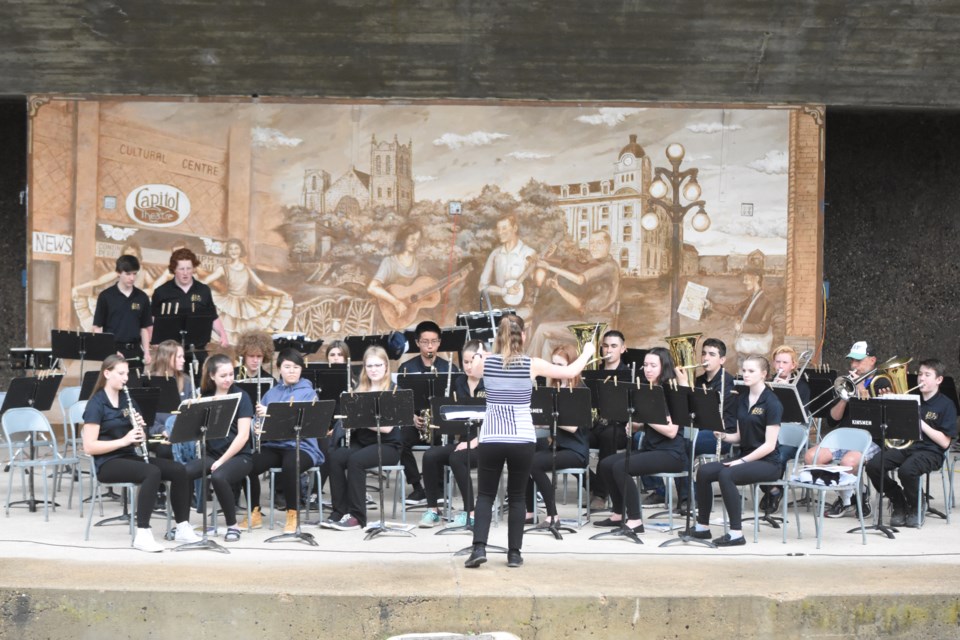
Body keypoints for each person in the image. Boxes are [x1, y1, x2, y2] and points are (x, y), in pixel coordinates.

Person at [464, 314, 594, 569]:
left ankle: (479, 548)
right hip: (522, 439)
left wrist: (483, 352)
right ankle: (514, 554)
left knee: (486, 495)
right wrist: (588, 350)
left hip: (491, 437)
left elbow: (473, 370)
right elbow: (569, 371)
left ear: (498, 337)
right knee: (517, 497)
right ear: (522, 336)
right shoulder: (531, 364)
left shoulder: (485, 363)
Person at [81, 355, 201, 552]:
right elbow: (89, 447)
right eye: (121, 373)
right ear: (107, 373)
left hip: (129, 456)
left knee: (178, 470)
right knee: (151, 472)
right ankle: (143, 533)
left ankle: (182, 526)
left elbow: (140, 439)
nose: (125, 378)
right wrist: (125, 440)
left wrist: (140, 430)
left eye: (127, 373)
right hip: (107, 463)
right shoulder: (96, 404)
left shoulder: (127, 400)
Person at [683, 354, 782, 547]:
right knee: (704, 471)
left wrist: (741, 461)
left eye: (751, 371)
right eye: (744, 370)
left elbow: (769, 445)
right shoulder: (742, 399)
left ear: (764, 374)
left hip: (769, 462)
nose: (745, 374)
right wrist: (723, 435)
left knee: (727, 475)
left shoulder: (772, 403)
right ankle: (703, 527)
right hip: (746, 457)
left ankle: (736, 533)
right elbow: (738, 436)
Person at [593, 347, 688, 534]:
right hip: (652, 449)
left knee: (621, 467)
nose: (648, 369)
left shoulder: (671, 392)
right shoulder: (647, 389)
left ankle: (635, 520)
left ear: (664, 367)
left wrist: (645, 417)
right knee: (605, 464)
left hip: (671, 454)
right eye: (645, 365)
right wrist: (636, 426)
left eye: (653, 365)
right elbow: (652, 424)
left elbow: (670, 431)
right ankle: (619, 513)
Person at [866, 358, 957, 527]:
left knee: (907, 470)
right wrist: (889, 404)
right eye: (920, 374)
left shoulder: (946, 405)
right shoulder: (909, 399)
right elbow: (892, 428)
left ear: (939, 380)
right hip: (907, 446)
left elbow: (944, 443)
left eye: (927, 375)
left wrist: (920, 422)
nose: (921, 378)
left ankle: (916, 505)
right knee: (873, 465)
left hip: (932, 451)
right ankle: (898, 501)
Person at [239, 349, 323, 533]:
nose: (292, 371)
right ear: (279, 369)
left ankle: (293, 515)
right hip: (275, 445)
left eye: (296, 367)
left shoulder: (309, 394)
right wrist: (257, 426)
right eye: (287, 367)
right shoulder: (271, 394)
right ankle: (254, 512)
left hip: (303, 446)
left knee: (291, 465)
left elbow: (309, 426)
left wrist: (272, 416)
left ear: (301, 370)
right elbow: (259, 422)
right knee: (247, 464)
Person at [322, 346, 402, 531]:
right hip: (363, 442)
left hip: (388, 445)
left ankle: (357, 516)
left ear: (386, 366)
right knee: (335, 456)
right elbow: (352, 420)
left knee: (355, 461)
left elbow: (386, 427)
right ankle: (339, 511)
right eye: (369, 365)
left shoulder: (393, 389)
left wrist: (359, 417)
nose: (373, 369)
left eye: (378, 365)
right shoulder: (360, 389)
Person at [184, 353, 255, 543]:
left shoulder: (242, 396)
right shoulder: (205, 397)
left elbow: (243, 436)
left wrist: (221, 461)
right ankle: (183, 525)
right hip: (212, 454)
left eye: (231, 374)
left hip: (240, 457)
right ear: (212, 376)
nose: (228, 379)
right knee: (183, 473)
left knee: (218, 476)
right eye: (223, 376)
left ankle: (232, 526)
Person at [812, 340, 886, 519]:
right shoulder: (846, 381)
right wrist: (845, 397)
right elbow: (832, 420)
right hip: (846, 435)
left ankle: (852, 496)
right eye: (852, 360)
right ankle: (850, 497)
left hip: (871, 437)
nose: (854, 365)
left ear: (872, 360)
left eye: (859, 361)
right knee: (812, 457)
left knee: (848, 462)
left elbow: (881, 420)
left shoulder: (881, 381)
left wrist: (861, 389)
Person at [419, 339, 485, 528]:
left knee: (457, 458)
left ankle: (470, 513)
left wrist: (474, 442)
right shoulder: (460, 382)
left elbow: (496, 421)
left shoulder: (490, 383)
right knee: (430, 455)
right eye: (465, 362)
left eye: (473, 361)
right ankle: (433, 510)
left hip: (486, 444)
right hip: (464, 442)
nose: (469, 366)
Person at [524, 344, 591, 528]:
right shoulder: (554, 388)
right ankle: (529, 512)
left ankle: (552, 515)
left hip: (576, 451)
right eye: (553, 364)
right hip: (560, 447)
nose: (555, 369)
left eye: (560, 365)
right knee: (525, 459)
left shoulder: (579, 390)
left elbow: (571, 427)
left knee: (533, 464)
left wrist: (546, 415)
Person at [527, 230, 621, 359]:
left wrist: (549, 267)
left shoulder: (609, 267)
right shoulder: (598, 268)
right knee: (548, 344)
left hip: (599, 328)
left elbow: (579, 279)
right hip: (587, 323)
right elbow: (580, 305)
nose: (593, 246)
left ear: (608, 246)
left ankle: (527, 370)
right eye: (591, 242)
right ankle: (543, 377)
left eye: (599, 243)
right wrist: (558, 287)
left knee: (543, 329)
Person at [397, 320, 460, 506]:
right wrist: (411, 417)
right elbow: (400, 401)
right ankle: (417, 487)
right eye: (425, 341)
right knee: (399, 440)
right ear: (417, 342)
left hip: (440, 423)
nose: (430, 345)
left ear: (440, 342)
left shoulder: (450, 369)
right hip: (417, 422)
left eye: (434, 341)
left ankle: (439, 489)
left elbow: (455, 402)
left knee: (442, 443)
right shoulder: (406, 369)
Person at [672, 338, 739, 509]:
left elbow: (713, 413)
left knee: (683, 445)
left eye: (711, 354)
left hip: (722, 434)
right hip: (699, 430)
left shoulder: (727, 382)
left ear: (722, 360)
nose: (705, 358)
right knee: (672, 443)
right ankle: (682, 495)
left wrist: (685, 386)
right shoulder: (699, 380)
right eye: (703, 353)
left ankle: (689, 498)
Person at [202, 239, 293, 345]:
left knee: (245, 337)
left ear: (241, 250)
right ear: (227, 251)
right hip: (229, 304)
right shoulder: (224, 268)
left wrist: (281, 292)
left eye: (236, 248)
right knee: (230, 337)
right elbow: (205, 281)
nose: (233, 251)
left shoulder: (246, 268)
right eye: (230, 249)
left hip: (246, 305)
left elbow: (262, 286)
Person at [760, 345, 812, 513]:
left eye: (785, 362)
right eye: (778, 362)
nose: (781, 365)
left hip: (791, 435)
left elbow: (800, 415)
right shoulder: (766, 384)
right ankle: (773, 489)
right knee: (753, 452)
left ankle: (773, 491)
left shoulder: (802, 386)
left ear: (793, 365)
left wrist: (786, 391)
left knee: (779, 456)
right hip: (770, 432)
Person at [151, 248, 229, 348]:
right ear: (174, 269)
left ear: (193, 268)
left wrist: (223, 335)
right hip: (169, 350)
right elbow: (152, 319)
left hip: (197, 349)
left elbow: (212, 317)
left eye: (189, 268)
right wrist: (153, 340)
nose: (185, 273)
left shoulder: (204, 290)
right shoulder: (161, 292)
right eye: (181, 269)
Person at [588, 330, 631, 510]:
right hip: (596, 425)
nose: (609, 350)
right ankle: (592, 484)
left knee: (609, 436)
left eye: (614, 346)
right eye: (605, 346)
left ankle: (600, 494)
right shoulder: (593, 373)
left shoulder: (629, 375)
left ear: (623, 349)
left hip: (619, 428)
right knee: (574, 440)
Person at [91, 254, 154, 368]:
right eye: (128, 274)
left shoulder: (142, 297)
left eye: (134, 273)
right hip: (113, 353)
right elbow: (97, 328)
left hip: (136, 353)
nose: (132, 278)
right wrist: (109, 351)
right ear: (119, 273)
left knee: (136, 384)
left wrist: (146, 352)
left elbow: (144, 328)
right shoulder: (106, 296)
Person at [707, 267, 774, 364]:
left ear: (756, 279)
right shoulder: (751, 298)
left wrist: (742, 327)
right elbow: (733, 310)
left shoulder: (766, 303)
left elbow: (763, 327)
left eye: (746, 279)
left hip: (756, 350)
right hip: (746, 348)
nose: (744, 282)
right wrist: (711, 305)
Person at [478, 214, 538, 317]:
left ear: (515, 228)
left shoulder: (529, 253)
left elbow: (537, 283)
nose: (500, 233)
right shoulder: (495, 254)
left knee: (510, 322)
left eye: (504, 228)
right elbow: (482, 286)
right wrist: (504, 291)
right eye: (498, 229)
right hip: (499, 306)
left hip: (522, 308)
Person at [367, 227, 423, 328]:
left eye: (418, 240)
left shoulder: (417, 263)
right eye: (412, 239)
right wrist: (396, 303)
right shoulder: (389, 262)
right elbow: (372, 287)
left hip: (409, 312)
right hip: (389, 313)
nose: (415, 243)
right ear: (404, 239)